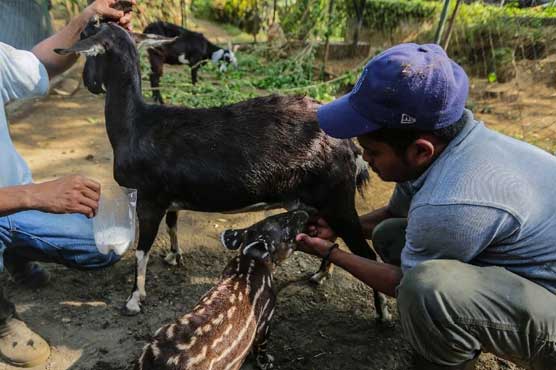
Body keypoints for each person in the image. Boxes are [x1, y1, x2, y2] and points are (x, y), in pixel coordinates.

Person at [296, 43, 556, 370]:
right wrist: (343, 225)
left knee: (427, 291)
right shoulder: (443, 151)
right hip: (532, 273)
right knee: (392, 233)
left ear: (420, 150)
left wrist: (329, 253)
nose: (364, 158)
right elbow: (394, 216)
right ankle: (462, 330)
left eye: (373, 152)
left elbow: (403, 284)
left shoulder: (452, 200)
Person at [0, 0, 134, 367]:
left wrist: (86, 18)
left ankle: (14, 250)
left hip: (18, 208)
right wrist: (37, 193)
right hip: (22, 200)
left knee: (104, 245)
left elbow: (41, 62)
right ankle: (1, 321)